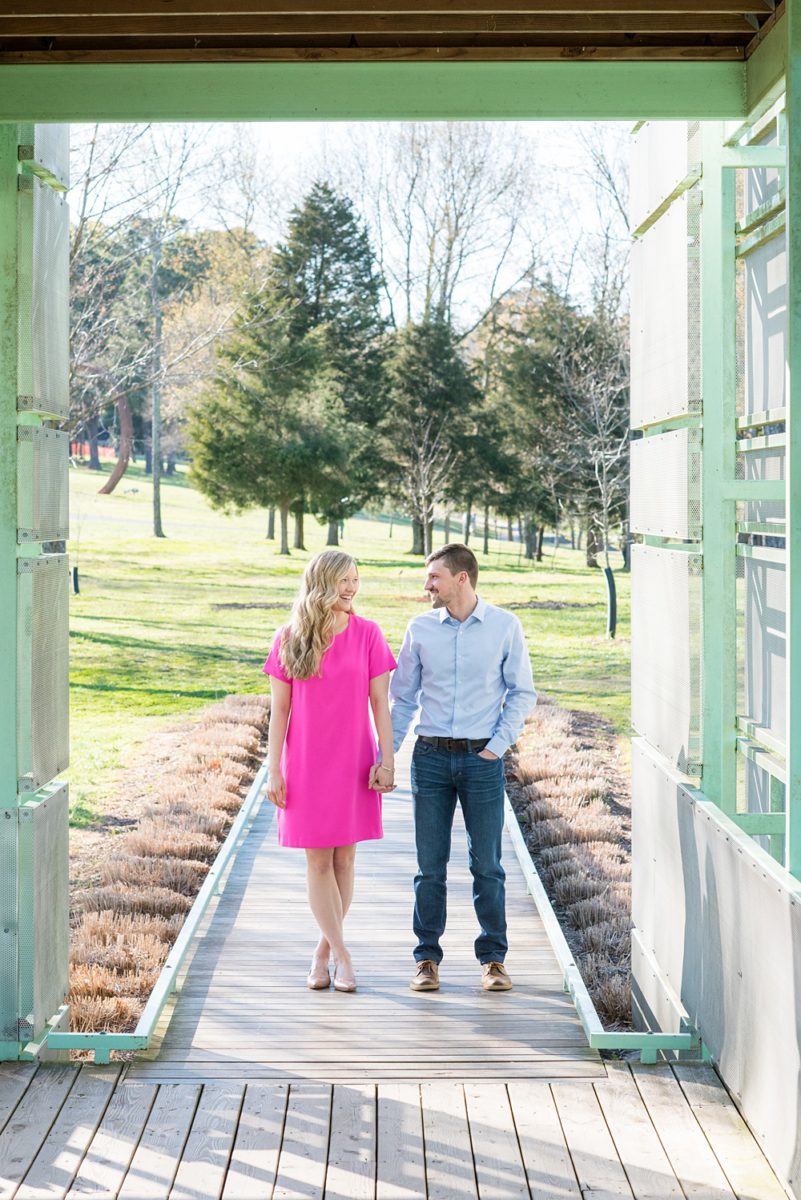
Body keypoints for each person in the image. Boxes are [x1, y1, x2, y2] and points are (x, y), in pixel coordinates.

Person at [390, 543, 537, 993]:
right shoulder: (419, 629)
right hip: (430, 758)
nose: (427, 585)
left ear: (462, 578)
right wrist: (386, 755)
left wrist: (496, 746)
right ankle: (426, 959)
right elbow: (402, 699)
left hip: (481, 761)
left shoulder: (504, 627)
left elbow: (522, 693)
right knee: (429, 867)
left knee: (487, 865)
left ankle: (493, 959)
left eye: (434, 576)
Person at [263, 550, 397, 993]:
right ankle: (343, 956)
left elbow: (380, 703)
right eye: (343, 580)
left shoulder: (369, 634)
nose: (351, 588)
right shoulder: (289, 638)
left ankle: (323, 951)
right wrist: (274, 770)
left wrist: (388, 758)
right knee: (318, 861)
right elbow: (279, 711)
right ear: (321, 583)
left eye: (356, 580)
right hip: (305, 763)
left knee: (345, 859)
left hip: (355, 760)